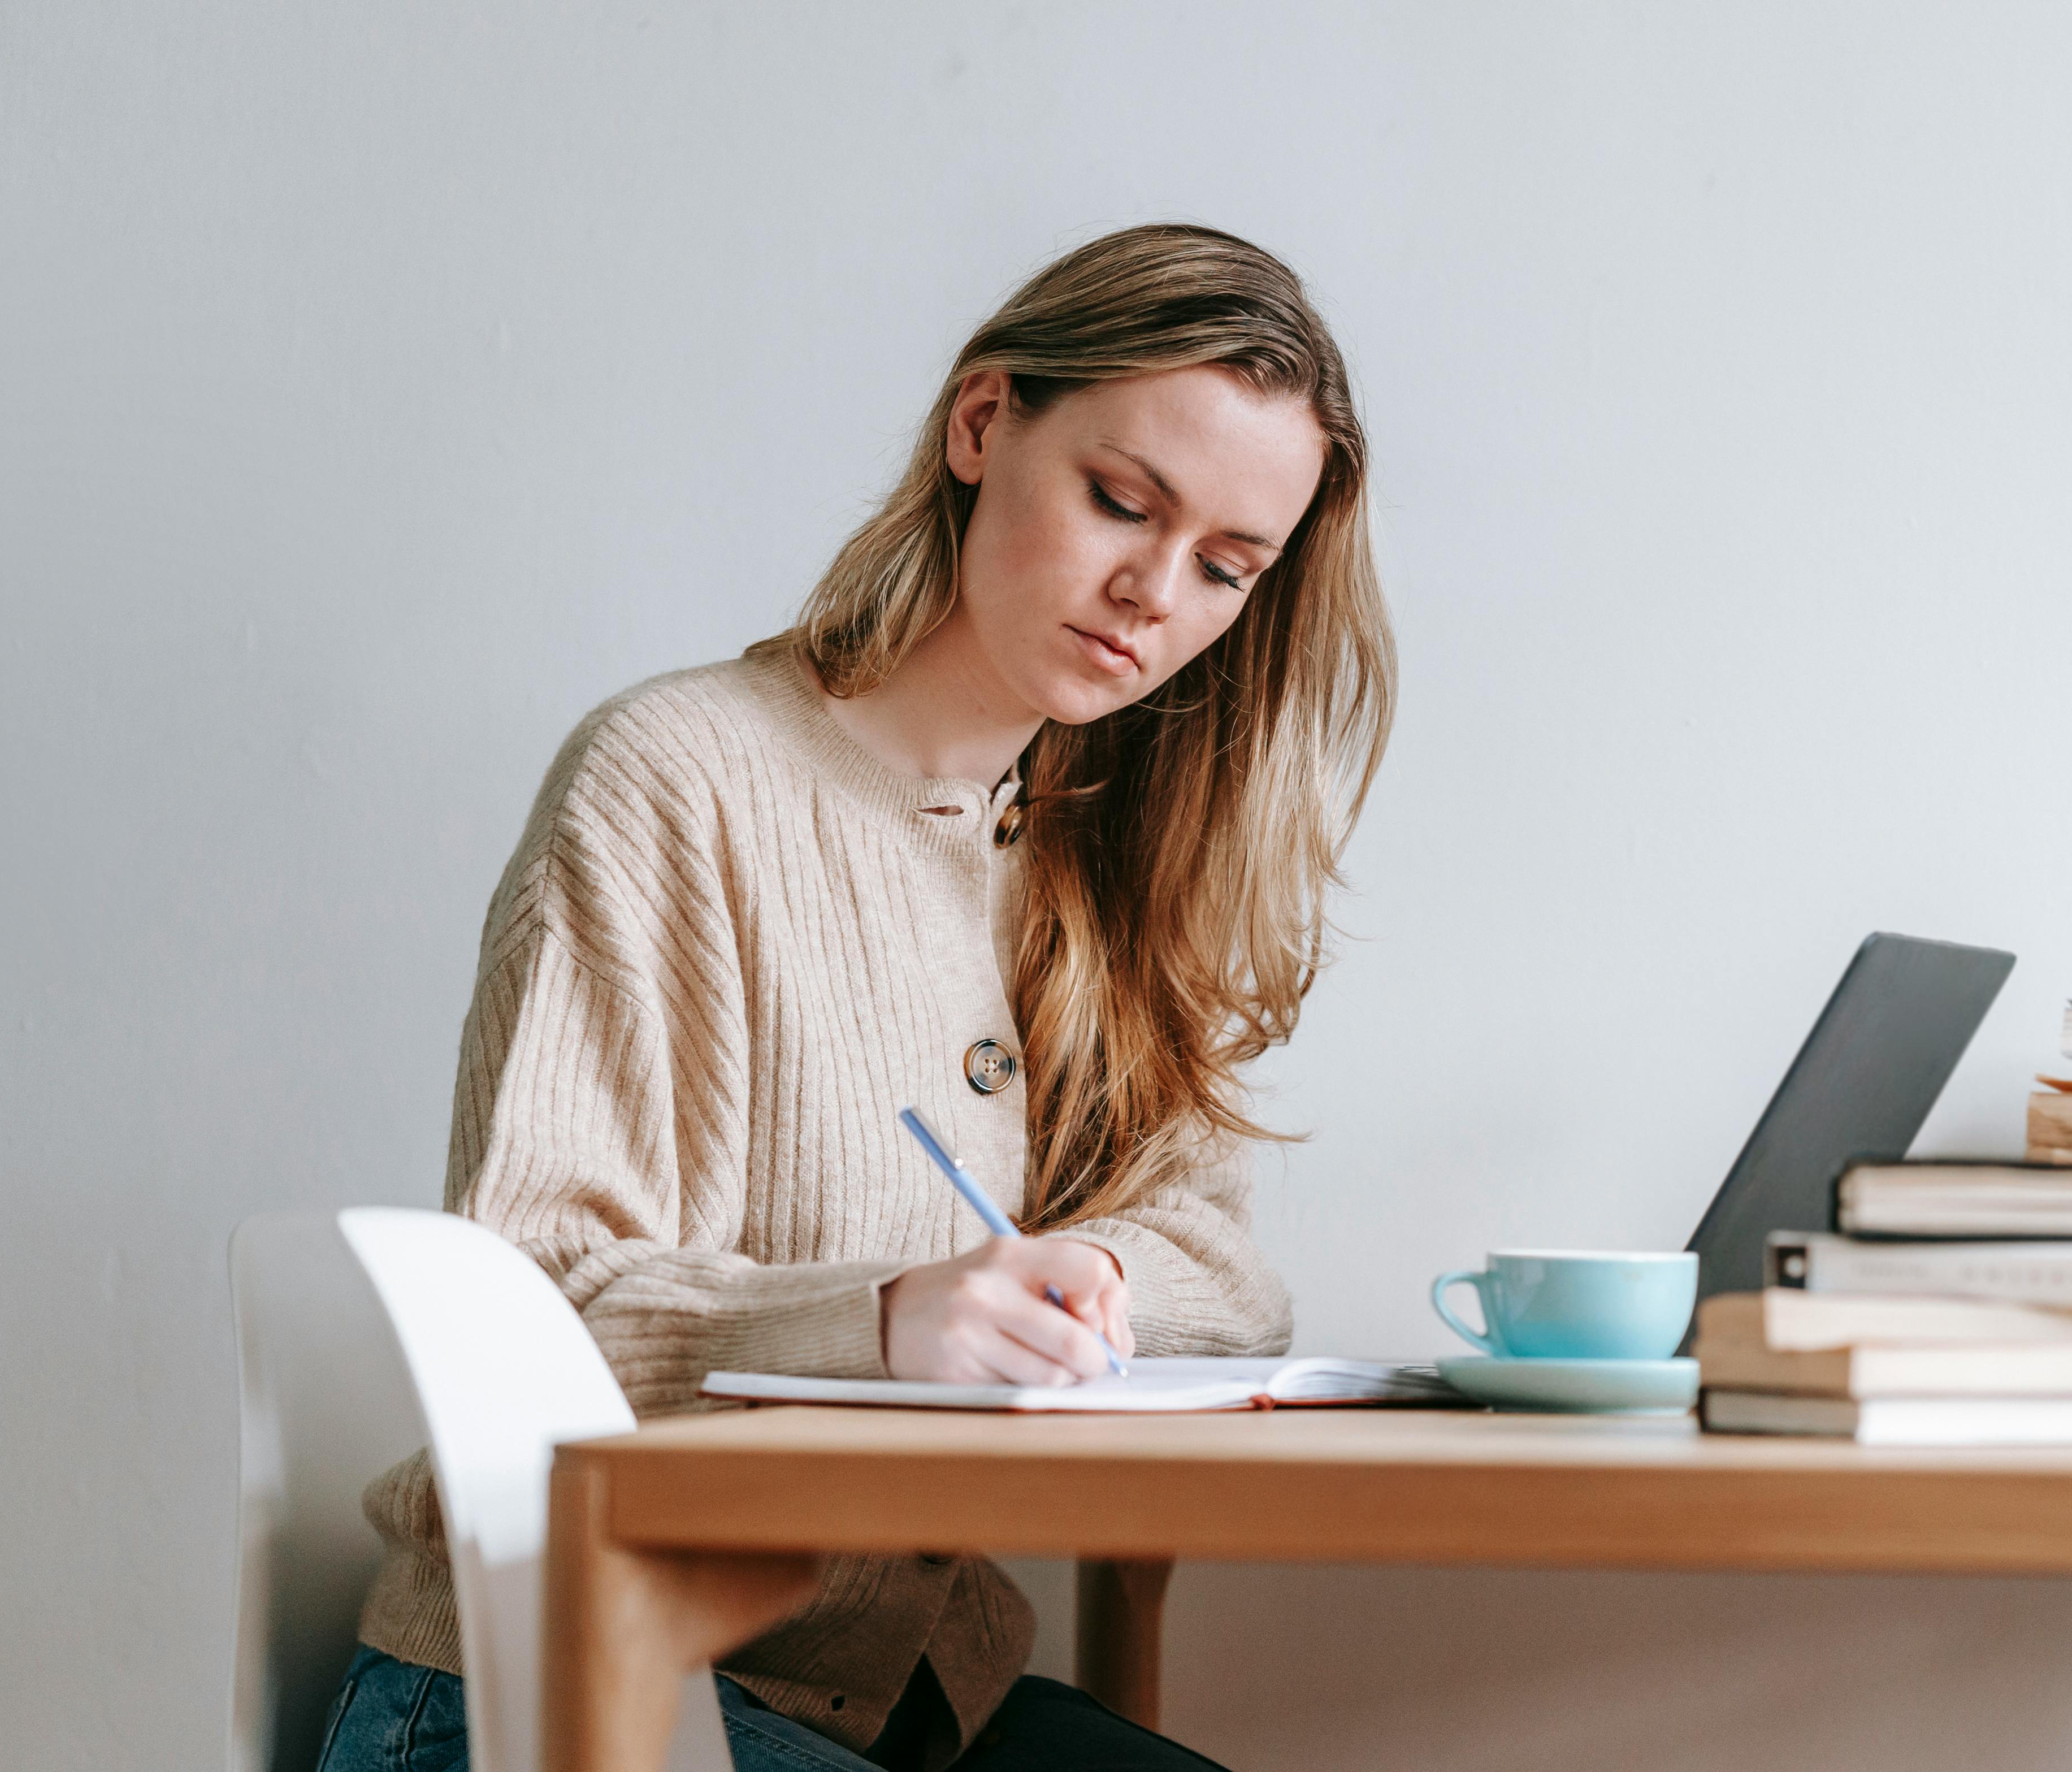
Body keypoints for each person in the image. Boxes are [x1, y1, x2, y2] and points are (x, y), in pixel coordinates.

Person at [320, 223, 1395, 1772]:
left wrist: (1075, 1280)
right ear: (982, 426)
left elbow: (1222, 1273)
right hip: (540, 1692)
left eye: (1227, 568)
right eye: (1119, 501)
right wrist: (890, 1320)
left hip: (903, 1705)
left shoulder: (1101, 861)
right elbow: (529, 1312)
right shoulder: (677, 781)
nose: (1153, 593)